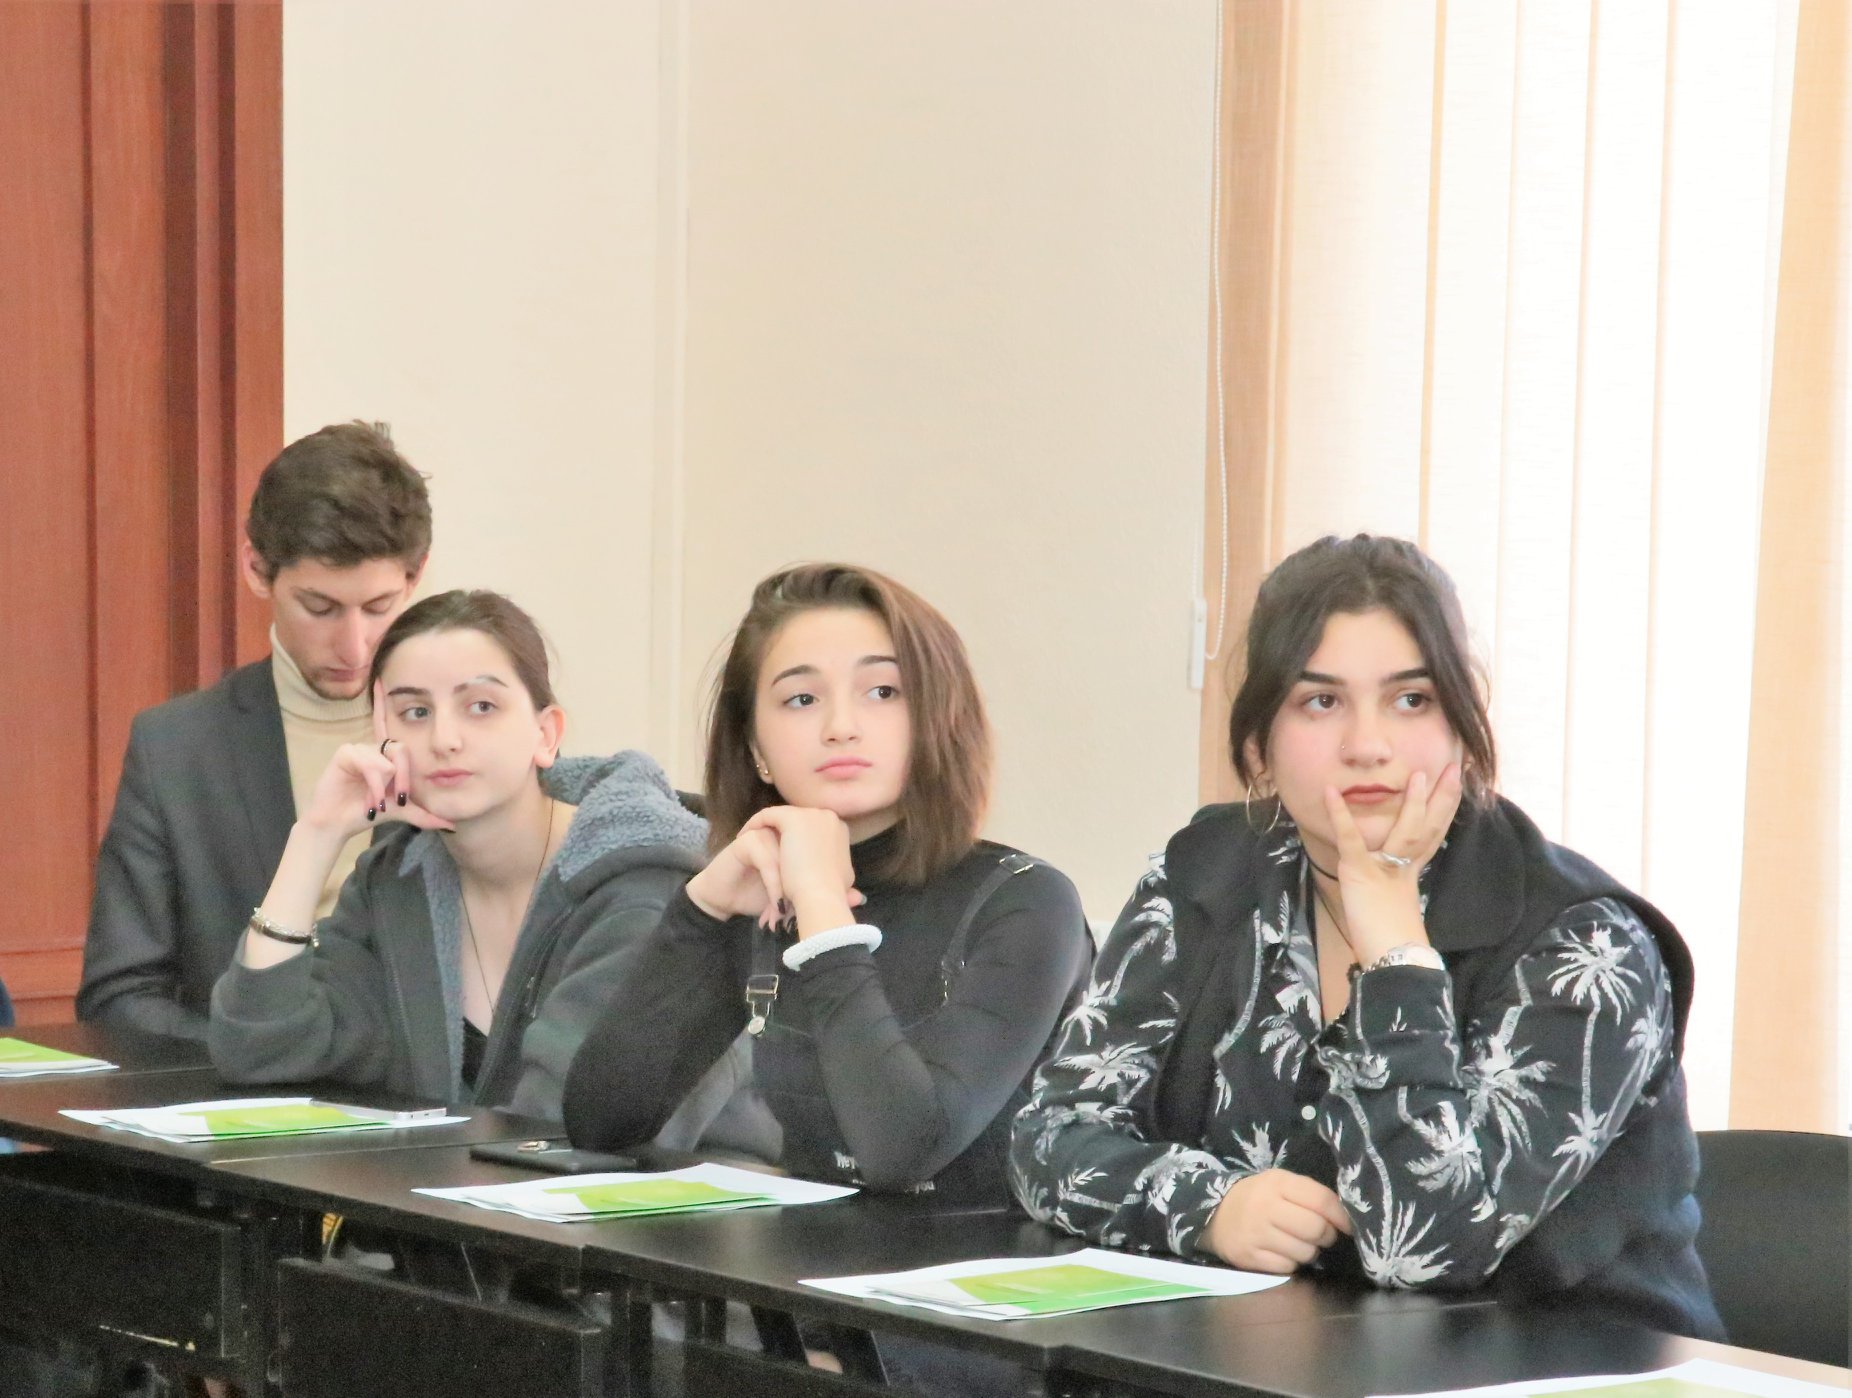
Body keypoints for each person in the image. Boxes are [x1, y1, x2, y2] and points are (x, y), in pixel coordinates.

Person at [1011, 535, 1721, 1339]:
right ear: (1259, 744)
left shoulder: (1584, 944)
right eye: (1321, 702)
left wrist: (1395, 951)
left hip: (1564, 1364)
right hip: (1272, 1359)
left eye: (1411, 699)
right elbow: (1047, 1138)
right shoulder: (1202, 880)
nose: (1367, 746)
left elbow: (1426, 1243)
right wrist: (1209, 1207)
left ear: (1464, 726)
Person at [564, 563, 1092, 1205]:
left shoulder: (1027, 901)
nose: (841, 725)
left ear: (939, 717)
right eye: (802, 699)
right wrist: (701, 910)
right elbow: (602, 1123)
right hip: (802, 1264)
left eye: (883, 691)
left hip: (988, 1266)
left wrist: (822, 912)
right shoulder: (763, 890)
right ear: (755, 747)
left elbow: (904, 1150)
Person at [208, 590, 724, 1127]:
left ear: (546, 734)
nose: (444, 739)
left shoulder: (643, 884)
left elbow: (564, 1123)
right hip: (458, 1179)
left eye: (481, 707)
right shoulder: (396, 881)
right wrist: (316, 837)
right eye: (415, 712)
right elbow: (258, 1049)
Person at [79, 422, 431, 1039]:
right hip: (243, 1089)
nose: (355, 646)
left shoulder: (460, 739)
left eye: (379, 607)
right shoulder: (176, 750)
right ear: (256, 569)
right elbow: (118, 998)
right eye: (319, 607)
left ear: (416, 575)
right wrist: (262, 1049)